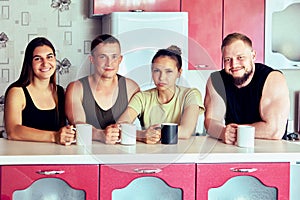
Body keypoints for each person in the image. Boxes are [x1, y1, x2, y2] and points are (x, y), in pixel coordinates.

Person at [204, 32, 290, 145]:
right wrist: (223, 132)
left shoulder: (273, 78)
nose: (234, 64)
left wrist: (233, 132)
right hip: (233, 151)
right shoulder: (216, 80)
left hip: (270, 153)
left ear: (253, 55)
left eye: (240, 57)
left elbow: (274, 130)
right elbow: (211, 121)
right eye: (228, 59)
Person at [117, 45, 205, 144]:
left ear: (179, 73)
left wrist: (154, 132)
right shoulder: (142, 97)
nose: (162, 77)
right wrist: (142, 135)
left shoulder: (190, 95)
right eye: (157, 71)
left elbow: (186, 131)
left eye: (169, 71)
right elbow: (120, 125)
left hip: (183, 153)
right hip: (150, 153)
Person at [65, 34, 140, 144]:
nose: (109, 63)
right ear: (92, 59)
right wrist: (100, 135)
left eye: (114, 57)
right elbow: (78, 124)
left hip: (122, 153)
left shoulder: (131, 88)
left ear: (120, 59)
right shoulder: (76, 88)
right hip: (85, 152)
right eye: (102, 57)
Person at [4, 37, 75, 145]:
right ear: (29, 62)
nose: (45, 63)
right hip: (24, 157)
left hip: (56, 156)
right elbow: (13, 131)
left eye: (49, 57)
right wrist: (54, 136)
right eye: (38, 59)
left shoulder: (60, 92)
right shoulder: (17, 92)